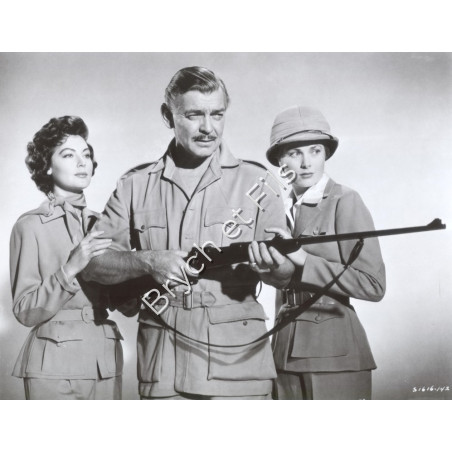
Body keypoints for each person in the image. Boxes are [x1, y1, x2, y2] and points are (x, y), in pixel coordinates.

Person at [83, 66, 293, 400]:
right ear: (168, 116)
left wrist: (274, 268)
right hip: (164, 364)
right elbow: (92, 263)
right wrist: (148, 261)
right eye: (194, 115)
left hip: (237, 365)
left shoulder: (259, 182)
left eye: (217, 114)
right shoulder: (134, 185)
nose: (208, 128)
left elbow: (285, 276)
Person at [248, 106, 386, 399]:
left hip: (335, 354)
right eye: (294, 153)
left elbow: (373, 285)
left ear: (325, 154)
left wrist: (304, 258)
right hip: (283, 352)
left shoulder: (345, 200)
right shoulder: (277, 208)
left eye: (315, 151)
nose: (306, 163)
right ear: (280, 160)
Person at [10, 116, 124, 400]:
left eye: (86, 154)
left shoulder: (105, 224)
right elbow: (25, 310)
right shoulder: (30, 225)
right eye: (69, 155)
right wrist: (70, 268)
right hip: (53, 365)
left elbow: (122, 301)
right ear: (48, 166)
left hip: (105, 361)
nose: (82, 162)